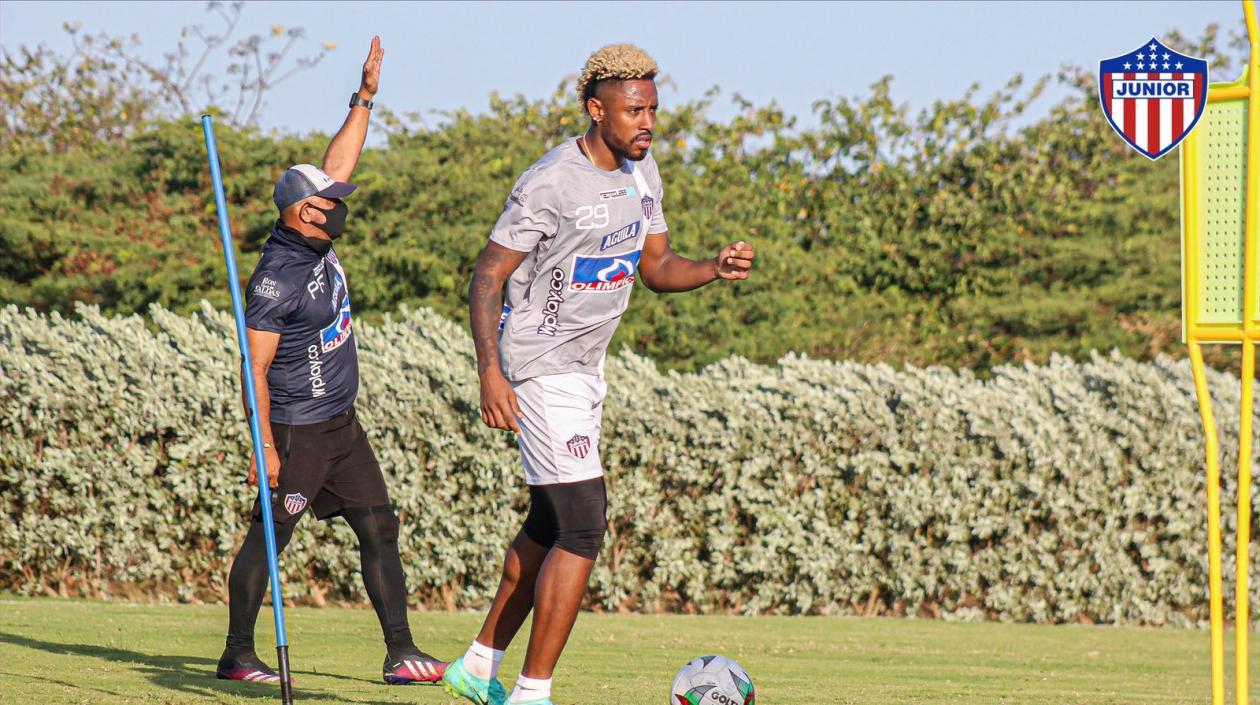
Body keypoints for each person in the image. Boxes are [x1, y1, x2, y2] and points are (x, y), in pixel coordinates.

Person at [442, 43, 756, 705]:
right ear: (596, 109)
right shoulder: (552, 180)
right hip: (538, 368)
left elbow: (657, 266)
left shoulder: (645, 176)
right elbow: (487, 275)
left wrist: (713, 270)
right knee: (584, 523)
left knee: (551, 526)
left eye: (652, 109)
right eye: (633, 109)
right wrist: (490, 373)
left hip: (586, 372)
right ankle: (532, 692)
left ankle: (478, 662)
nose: (647, 122)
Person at [215, 36, 446, 687]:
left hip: (341, 423)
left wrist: (364, 94)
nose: (341, 206)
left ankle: (400, 651)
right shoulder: (276, 279)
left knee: (379, 525)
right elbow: (252, 367)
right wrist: (264, 442)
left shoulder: (314, 240)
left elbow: (339, 158)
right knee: (271, 536)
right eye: (330, 201)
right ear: (303, 212)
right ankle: (237, 653)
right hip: (296, 428)